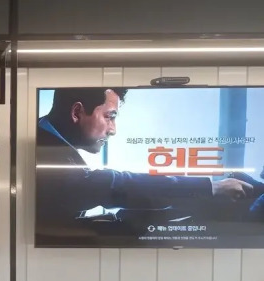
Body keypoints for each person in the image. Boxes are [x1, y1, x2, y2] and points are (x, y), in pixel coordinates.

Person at [35, 87, 255, 241]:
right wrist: (210, 187)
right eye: (109, 117)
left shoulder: (47, 141)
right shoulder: (46, 157)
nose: (113, 130)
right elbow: (112, 185)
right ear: (77, 112)